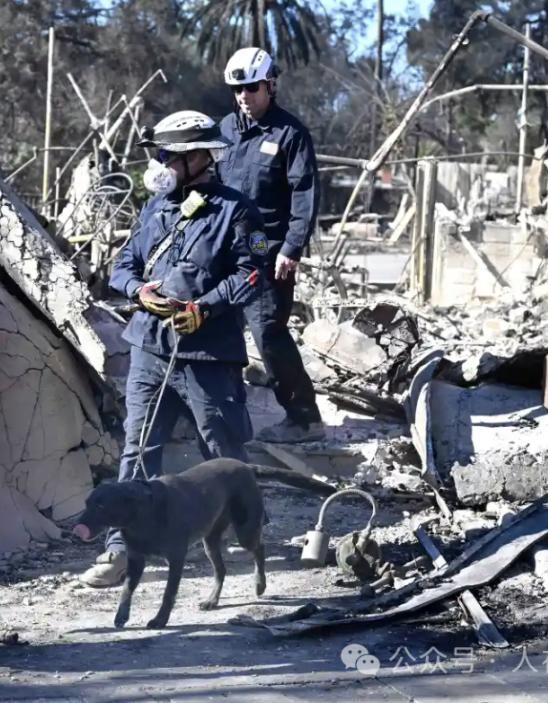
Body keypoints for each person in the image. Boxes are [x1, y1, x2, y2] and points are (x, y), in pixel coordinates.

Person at [78, 110, 268, 588]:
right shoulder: (155, 208)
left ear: (201, 158)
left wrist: (204, 308)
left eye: (169, 155)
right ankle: (119, 550)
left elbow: (251, 273)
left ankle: (244, 536)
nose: (159, 164)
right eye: (159, 154)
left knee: (223, 451)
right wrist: (138, 293)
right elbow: (124, 266)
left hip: (209, 355)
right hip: (150, 348)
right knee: (139, 451)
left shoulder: (238, 211)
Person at [215, 47, 326, 444]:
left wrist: (291, 248)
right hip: (222, 249)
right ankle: (215, 414)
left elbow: (304, 196)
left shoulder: (290, 135)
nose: (244, 96)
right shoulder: (224, 130)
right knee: (210, 328)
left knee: (268, 332)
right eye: (237, 89)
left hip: (267, 248)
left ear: (270, 85)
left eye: (251, 88)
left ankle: (304, 419)